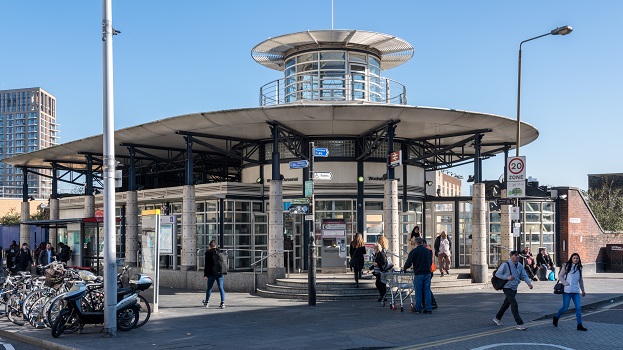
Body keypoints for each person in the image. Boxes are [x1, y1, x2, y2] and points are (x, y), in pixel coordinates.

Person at [493, 250, 534, 330]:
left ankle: (497, 318)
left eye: (518, 255)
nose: (517, 257)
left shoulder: (519, 265)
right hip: (507, 287)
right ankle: (519, 323)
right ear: (511, 256)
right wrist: (507, 277)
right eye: (515, 255)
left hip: (514, 287)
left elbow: (523, 275)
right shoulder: (506, 264)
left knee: (506, 304)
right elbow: (498, 274)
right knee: (514, 304)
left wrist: (528, 283)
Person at [553, 253, 587, 331]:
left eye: (577, 258)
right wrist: (565, 283)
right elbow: (560, 276)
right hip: (567, 291)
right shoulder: (566, 266)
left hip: (576, 291)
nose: (575, 259)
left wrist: (583, 290)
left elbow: (580, 280)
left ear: (579, 260)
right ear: (571, 259)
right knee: (565, 307)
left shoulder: (579, 268)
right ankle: (556, 317)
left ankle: (579, 325)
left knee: (578, 308)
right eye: (574, 258)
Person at [403, 237, 433, 314]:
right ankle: (428, 308)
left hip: (419, 273)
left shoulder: (414, 251)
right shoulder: (428, 251)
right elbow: (430, 262)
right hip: (427, 273)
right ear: (422, 243)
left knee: (418, 291)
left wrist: (405, 268)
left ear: (415, 243)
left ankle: (418, 308)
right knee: (427, 291)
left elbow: (409, 262)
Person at [203, 240, 226, 309]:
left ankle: (206, 302)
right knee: (221, 288)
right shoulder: (220, 252)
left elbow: (207, 265)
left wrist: (205, 274)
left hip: (211, 273)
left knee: (209, 288)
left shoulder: (208, 253)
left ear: (209, 246)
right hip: (220, 273)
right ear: (215, 245)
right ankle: (222, 303)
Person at [422, 239, 438, 309]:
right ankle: (426, 302)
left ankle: (432, 302)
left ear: (425, 243)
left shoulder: (428, 250)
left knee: (426, 288)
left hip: (428, 270)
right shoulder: (427, 249)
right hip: (428, 270)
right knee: (425, 287)